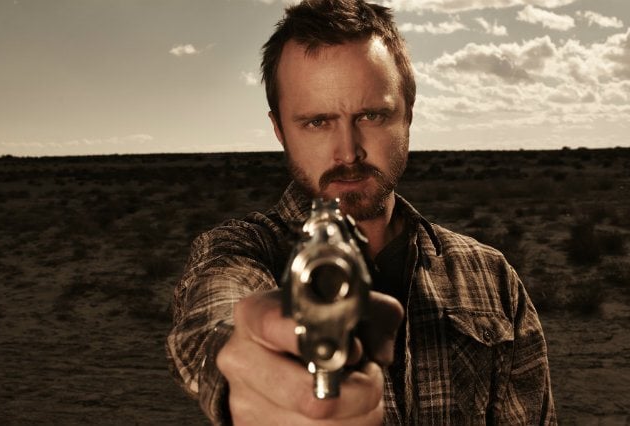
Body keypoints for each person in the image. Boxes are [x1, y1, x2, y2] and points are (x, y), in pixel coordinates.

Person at [166, 0, 556, 424]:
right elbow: (214, 313)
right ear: (279, 130)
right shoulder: (240, 249)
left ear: (408, 114)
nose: (348, 151)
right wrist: (242, 367)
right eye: (317, 122)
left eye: (371, 115)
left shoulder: (490, 276)